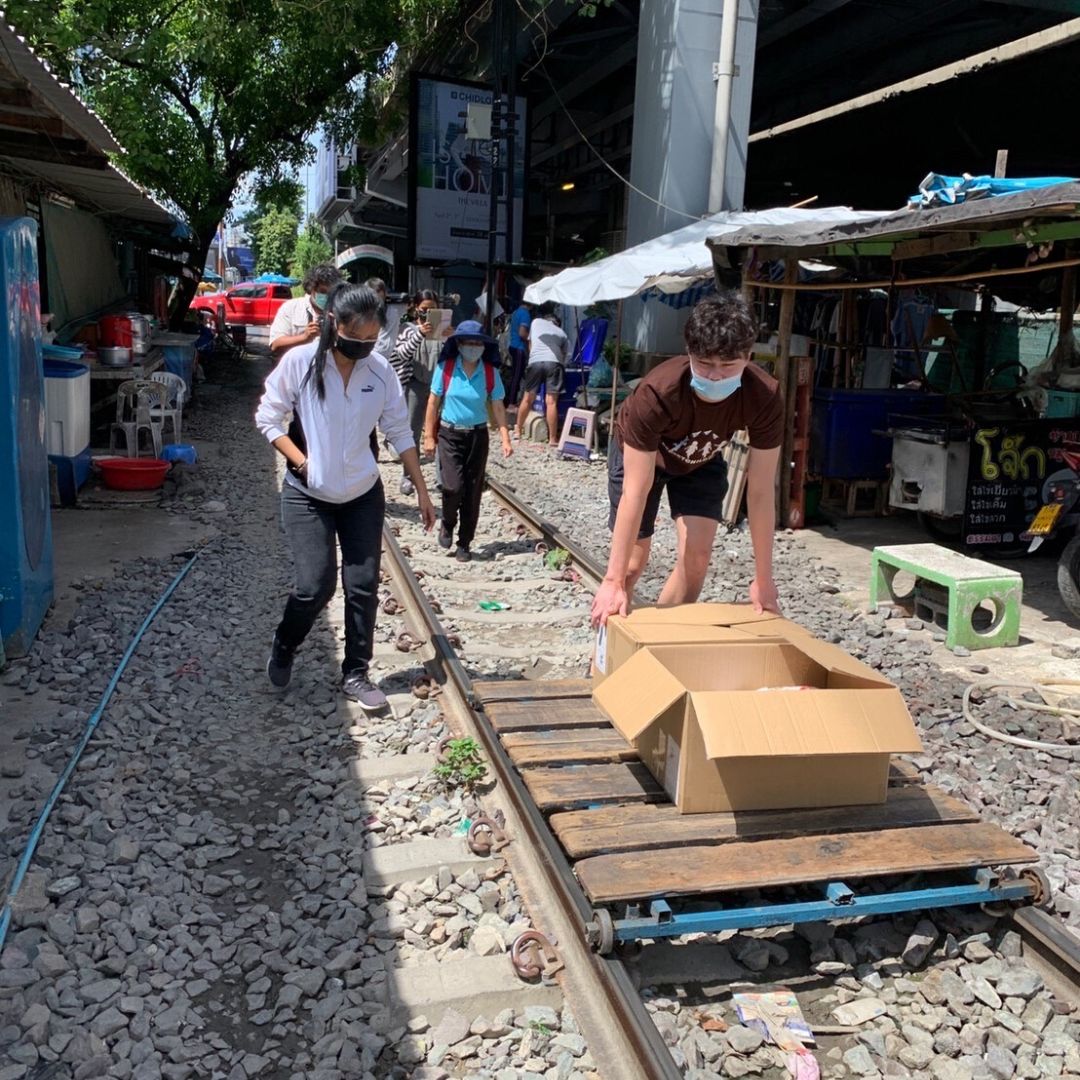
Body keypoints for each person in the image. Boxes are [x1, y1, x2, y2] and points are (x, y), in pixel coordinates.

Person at [255, 282, 436, 710]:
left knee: (363, 585)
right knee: (314, 585)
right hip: (307, 493)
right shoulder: (300, 362)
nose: (364, 346)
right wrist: (301, 463)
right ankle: (285, 643)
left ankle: (356, 671)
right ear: (334, 325)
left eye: (372, 339)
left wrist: (423, 490)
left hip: (361, 494)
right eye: (357, 338)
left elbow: (397, 430)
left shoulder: (380, 372)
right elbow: (268, 417)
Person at [590, 292, 783, 628]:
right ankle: (607, 656)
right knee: (632, 565)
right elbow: (636, 490)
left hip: (700, 457)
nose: (717, 376)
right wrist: (612, 580)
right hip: (643, 458)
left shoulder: (764, 396)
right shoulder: (657, 393)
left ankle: (661, 642)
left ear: (748, 357)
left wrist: (763, 580)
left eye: (729, 365)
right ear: (689, 353)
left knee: (697, 558)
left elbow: (762, 491)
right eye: (705, 364)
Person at [422, 320, 513, 562]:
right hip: (449, 434)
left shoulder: (490, 373)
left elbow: (498, 406)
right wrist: (428, 436)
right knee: (452, 486)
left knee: (473, 492)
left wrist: (505, 437)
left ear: (484, 346)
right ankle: (448, 523)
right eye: (468, 342)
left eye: (477, 342)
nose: (473, 347)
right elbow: (433, 402)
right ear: (459, 344)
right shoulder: (447, 368)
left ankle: (465, 542)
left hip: (477, 435)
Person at [390, 290, 438, 496]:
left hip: (438, 385)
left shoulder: (443, 331)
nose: (428, 314)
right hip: (414, 385)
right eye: (424, 309)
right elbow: (401, 354)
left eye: (433, 310)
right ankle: (408, 476)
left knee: (441, 431)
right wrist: (420, 333)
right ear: (416, 309)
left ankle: (442, 477)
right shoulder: (407, 329)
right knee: (412, 432)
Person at [514, 303, 568, 446]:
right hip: (554, 363)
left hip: (535, 362)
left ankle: (517, 431)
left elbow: (531, 345)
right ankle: (552, 439)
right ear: (557, 324)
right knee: (551, 402)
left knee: (527, 398)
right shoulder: (562, 334)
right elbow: (563, 357)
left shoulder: (536, 322)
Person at [268, 263, 343, 360]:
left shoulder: (341, 311)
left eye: (331, 292)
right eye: (323, 291)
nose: (327, 296)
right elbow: (275, 346)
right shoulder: (291, 308)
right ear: (311, 288)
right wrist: (305, 337)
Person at [505, 299, 532, 405]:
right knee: (517, 376)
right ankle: (511, 402)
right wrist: (530, 339)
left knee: (515, 375)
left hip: (512, 346)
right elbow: (522, 333)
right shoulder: (525, 314)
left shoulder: (516, 312)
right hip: (519, 348)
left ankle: (511, 400)